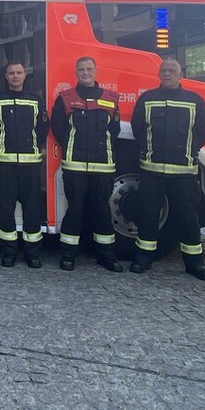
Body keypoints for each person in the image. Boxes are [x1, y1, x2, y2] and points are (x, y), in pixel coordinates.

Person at [129, 58, 205, 281]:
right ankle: (144, 258)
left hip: (184, 171)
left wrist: (189, 151)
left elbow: (202, 133)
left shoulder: (195, 101)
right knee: (147, 214)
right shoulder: (147, 99)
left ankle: (195, 263)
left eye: (172, 71)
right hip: (152, 169)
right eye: (164, 71)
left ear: (180, 73)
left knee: (188, 217)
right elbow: (138, 128)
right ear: (159, 74)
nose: (167, 74)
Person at [50, 56, 122, 272]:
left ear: (96, 71)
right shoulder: (65, 98)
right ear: (76, 72)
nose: (85, 72)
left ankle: (107, 256)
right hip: (75, 166)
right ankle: (69, 255)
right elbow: (58, 128)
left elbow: (114, 131)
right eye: (81, 69)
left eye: (89, 69)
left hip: (103, 166)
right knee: (74, 209)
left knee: (102, 210)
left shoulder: (111, 98)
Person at [0, 60, 49, 268]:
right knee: (6, 208)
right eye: (11, 73)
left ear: (25, 75)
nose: (15, 76)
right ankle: (8, 252)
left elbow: (42, 128)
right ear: (6, 76)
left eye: (19, 72)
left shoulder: (36, 101)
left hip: (30, 164)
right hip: (4, 165)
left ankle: (32, 253)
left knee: (32, 209)